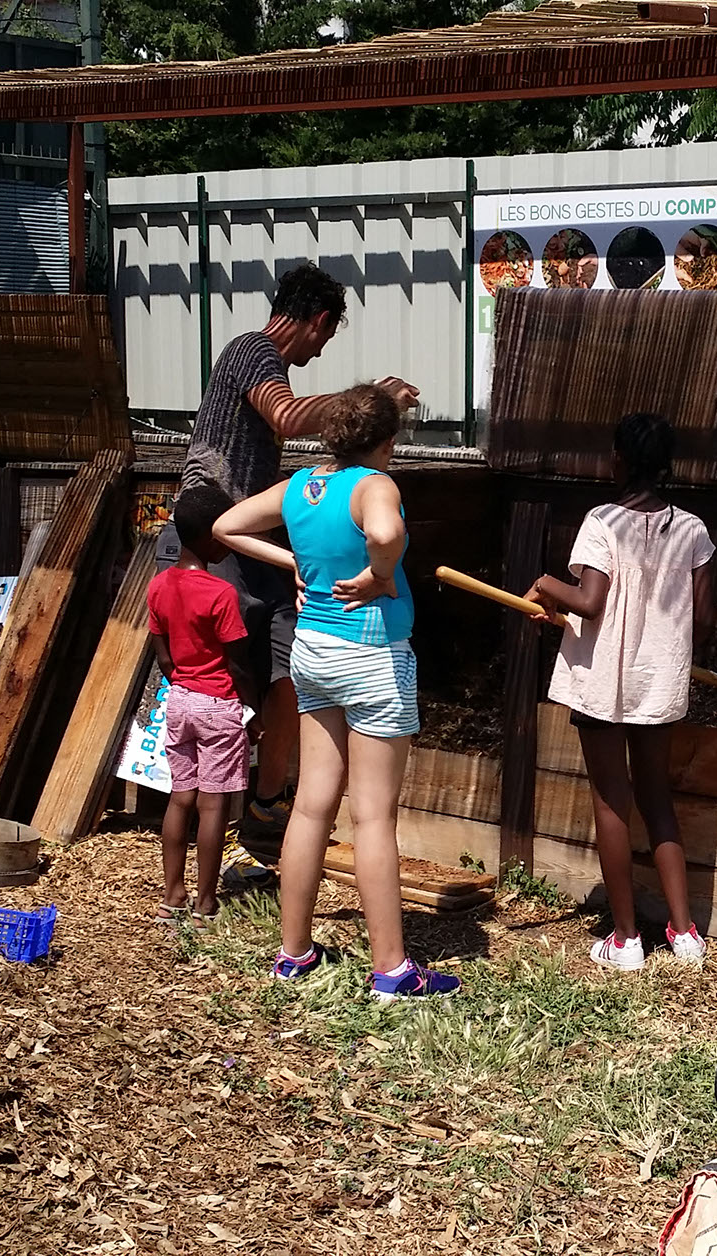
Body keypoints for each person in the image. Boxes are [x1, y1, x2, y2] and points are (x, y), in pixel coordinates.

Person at [214, 386, 458, 1000]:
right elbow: (384, 532)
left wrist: (292, 562)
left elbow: (226, 525)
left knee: (310, 806)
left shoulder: (302, 485)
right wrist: (380, 572)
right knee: (372, 816)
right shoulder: (375, 485)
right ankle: (392, 970)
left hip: (314, 653)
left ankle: (293, 953)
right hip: (373, 658)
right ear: (386, 442)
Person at [179, 263, 419, 826]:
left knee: (282, 671)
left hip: (249, 542)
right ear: (318, 320)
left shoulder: (265, 365)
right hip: (213, 538)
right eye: (328, 334)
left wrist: (294, 558)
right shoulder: (252, 350)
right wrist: (370, 401)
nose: (323, 347)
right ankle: (219, 813)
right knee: (227, 679)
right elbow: (286, 418)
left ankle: (263, 804)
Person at [526, 412, 715, 972]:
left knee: (612, 800)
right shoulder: (694, 530)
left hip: (605, 683)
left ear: (620, 460)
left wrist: (545, 585)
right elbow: (704, 619)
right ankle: (685, 933)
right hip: (660, 681)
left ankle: (626, 939)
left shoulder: (602, 520)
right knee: (656, 798)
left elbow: (589, 603)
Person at [143, 487, 259, 922]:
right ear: (213, 538)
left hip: (179, 700)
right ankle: (206, 902)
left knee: (181, 797)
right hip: (219, 703)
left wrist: (184, 686)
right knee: (213, 806)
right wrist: (254, 713)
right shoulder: (221, 593)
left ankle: (172, 895)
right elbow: (238, 664)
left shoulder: (158, 585)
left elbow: (164, 658)